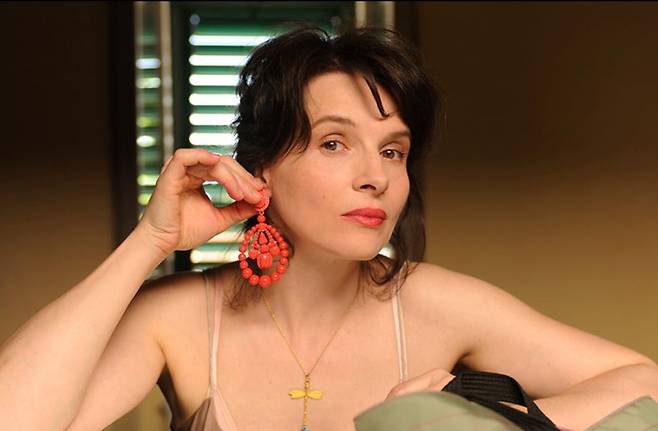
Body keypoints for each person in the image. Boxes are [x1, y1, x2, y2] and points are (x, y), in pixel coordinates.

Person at [1, 25, 657, 431]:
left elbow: (643, 380)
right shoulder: (176, 317)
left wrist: (483, 420)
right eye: (334, 143)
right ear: (262, 165)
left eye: (393, 151)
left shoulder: (436, 303)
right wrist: (150, 243)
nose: (376, 177)